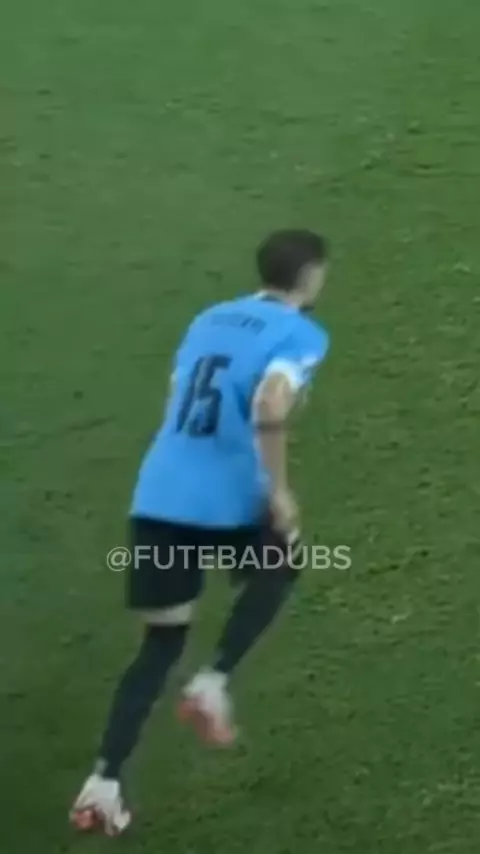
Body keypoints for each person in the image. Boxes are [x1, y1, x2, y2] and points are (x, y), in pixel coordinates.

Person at [70, 229, 330, 835]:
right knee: (282, 558)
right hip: (228, 501)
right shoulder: (300, 333)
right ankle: (213, 682)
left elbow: (176, 393)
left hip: (160, 497)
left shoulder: (209, 318)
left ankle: (104, 782)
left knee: (159, 645)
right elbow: (271, 404)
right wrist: (278, 490)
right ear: (312, 276)